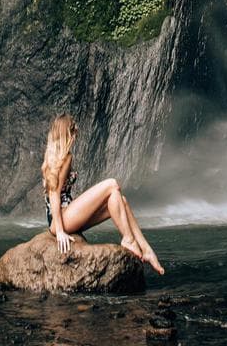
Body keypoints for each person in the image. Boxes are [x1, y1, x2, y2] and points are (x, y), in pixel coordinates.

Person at [41, 113, 164, 274]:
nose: (76, 137)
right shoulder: (65, 157)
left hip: (63, 217)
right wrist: (60, 231)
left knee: (120, 200)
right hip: (61, 220)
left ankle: (147, 250)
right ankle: (128, 239)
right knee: (112, 184)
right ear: (70, 133)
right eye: (74, 133)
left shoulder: (52, 155)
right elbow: (54, 194)